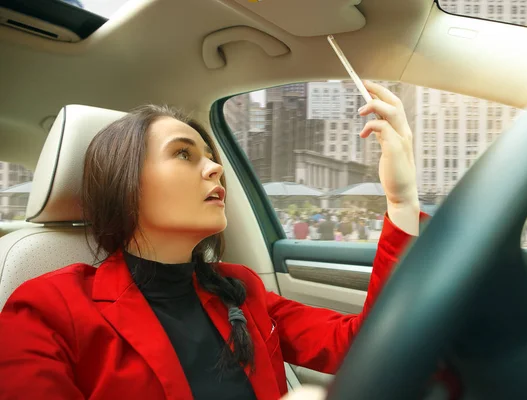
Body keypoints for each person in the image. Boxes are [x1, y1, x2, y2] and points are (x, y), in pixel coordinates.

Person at [0, 81, 423, 400]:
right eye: (183, 153)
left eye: (210, 156)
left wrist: (401, 199)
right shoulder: (48, 310)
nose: (214, 169)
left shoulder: (243, 290)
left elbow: (367, 344)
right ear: (124, 182)